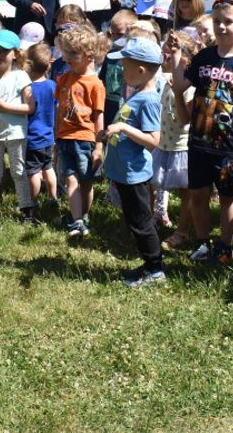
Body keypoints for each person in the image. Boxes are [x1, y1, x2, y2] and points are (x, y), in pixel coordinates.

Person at [172, 0, 233, 265]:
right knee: (198, 195)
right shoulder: (204, 56)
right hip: (198, 143)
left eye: (228, 22)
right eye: (217, 22)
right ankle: (202, 242)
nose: (222, 27)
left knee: (227, 196)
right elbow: (180, 85)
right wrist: (177, 54)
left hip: (229, 148)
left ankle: (224, 246)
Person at [100, 37, 167, 287]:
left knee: (141, 223)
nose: (121, 70)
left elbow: (153, 140)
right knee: (134, 221)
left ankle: (155, 271)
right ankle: (150, 264)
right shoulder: (138, 95)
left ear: (140, 70)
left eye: (124, 66)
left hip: (134, 174)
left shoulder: (148, 100)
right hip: (124, 171)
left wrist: (123, 129)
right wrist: (110, 132)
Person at [54, 25, 107, 237]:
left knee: (85, 182)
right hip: (65, 138)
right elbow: (59, 107)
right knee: (70, 178)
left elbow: (98, 115)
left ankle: (84, 216)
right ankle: (76, 220)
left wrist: (99, 145)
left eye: (73, 55)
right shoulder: (65, 79)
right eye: (65, 53)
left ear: (89, 56)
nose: (67, 59)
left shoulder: (95, 84)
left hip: (85, 139)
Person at [0, 29, 34, 230]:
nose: (0, 55)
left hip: (15, 133)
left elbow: (31, 107)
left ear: (15, 54)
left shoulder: (21, 76)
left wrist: (5, 107)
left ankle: (26, 208)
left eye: (4, 50)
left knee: (18, 171)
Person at [155, 31, 200, 248]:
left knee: (187, 193)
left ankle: (183, 231)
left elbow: (185, 120)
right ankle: (159, 218)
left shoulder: (189, 87)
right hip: (166, 144)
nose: (164, 56)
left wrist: (179, 93)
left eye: (169, 53)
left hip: (183, 148)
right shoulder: (167, 80)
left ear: (185, 60)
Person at [23, 41, 58, 221]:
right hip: (48, 136)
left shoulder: (28, 89)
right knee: (48, 168)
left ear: (28, 65)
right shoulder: (53, 85)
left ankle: (32, 203)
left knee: (34, 172)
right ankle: (53, 198)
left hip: (32, 137)